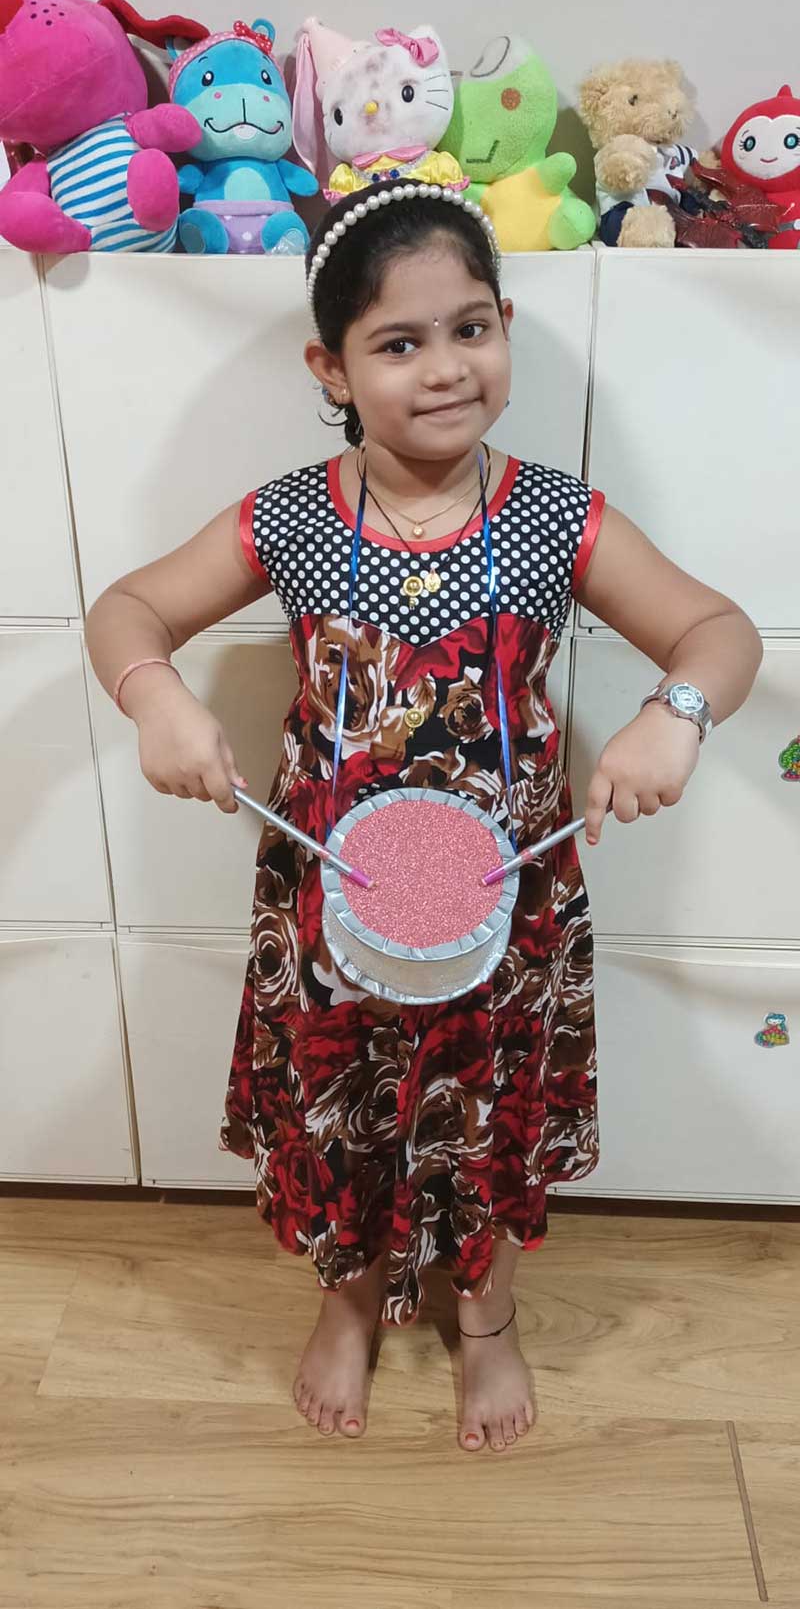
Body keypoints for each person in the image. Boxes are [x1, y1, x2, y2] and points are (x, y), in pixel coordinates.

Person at [86, 180, 762, 1455]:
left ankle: (487, 1318)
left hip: (505, 907)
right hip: (331, 902)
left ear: (505, 324)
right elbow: (127, 606)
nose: (444, 369)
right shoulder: (286, 516)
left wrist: (671, 711)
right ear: (329, 365)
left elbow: (715, 630)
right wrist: (154, 696)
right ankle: (344, 1300)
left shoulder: (557, 516)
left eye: (470, 328)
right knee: (337, 1100)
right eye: (398, 343)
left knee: (486, 1102)